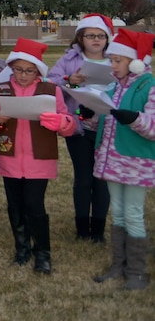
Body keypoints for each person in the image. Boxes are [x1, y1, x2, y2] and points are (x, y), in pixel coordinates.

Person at [0, 38, 76, 274]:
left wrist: (59, 122)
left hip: (39, 160)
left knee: (35, 205)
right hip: (9, 158)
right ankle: (22, 249)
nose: (23, 75)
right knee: (14, 205)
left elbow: (68, 123)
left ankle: (42, 253)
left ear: (38, 70)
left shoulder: (51, 90)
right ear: (11, 68)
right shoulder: (1, 89)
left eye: (29, 71)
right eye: (18, 70)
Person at [92, 29, 155, 291]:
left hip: (136, 164)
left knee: (132, 213)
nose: (113, 65)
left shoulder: (149, 87)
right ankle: (119, 265)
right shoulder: (112, 87)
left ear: (135, 61)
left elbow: (152, 127)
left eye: (118, 60)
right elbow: (106, 120)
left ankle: (137, 272)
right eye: (112, 60)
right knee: (117, 213)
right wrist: (90, 114)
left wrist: (135, 119)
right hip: (112, 161)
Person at [47, 13, 113, 243]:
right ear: (81, 38)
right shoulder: (69, 59)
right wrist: (68, 81)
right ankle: (82, 227)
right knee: (83, 177)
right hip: (79, 127)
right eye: (90, 36)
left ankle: (99, 230)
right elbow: (49, 81)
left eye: (100, 36)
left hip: (107, 128)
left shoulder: (115, 59)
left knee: (102, 179)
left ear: (107, 39)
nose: (96, 40)